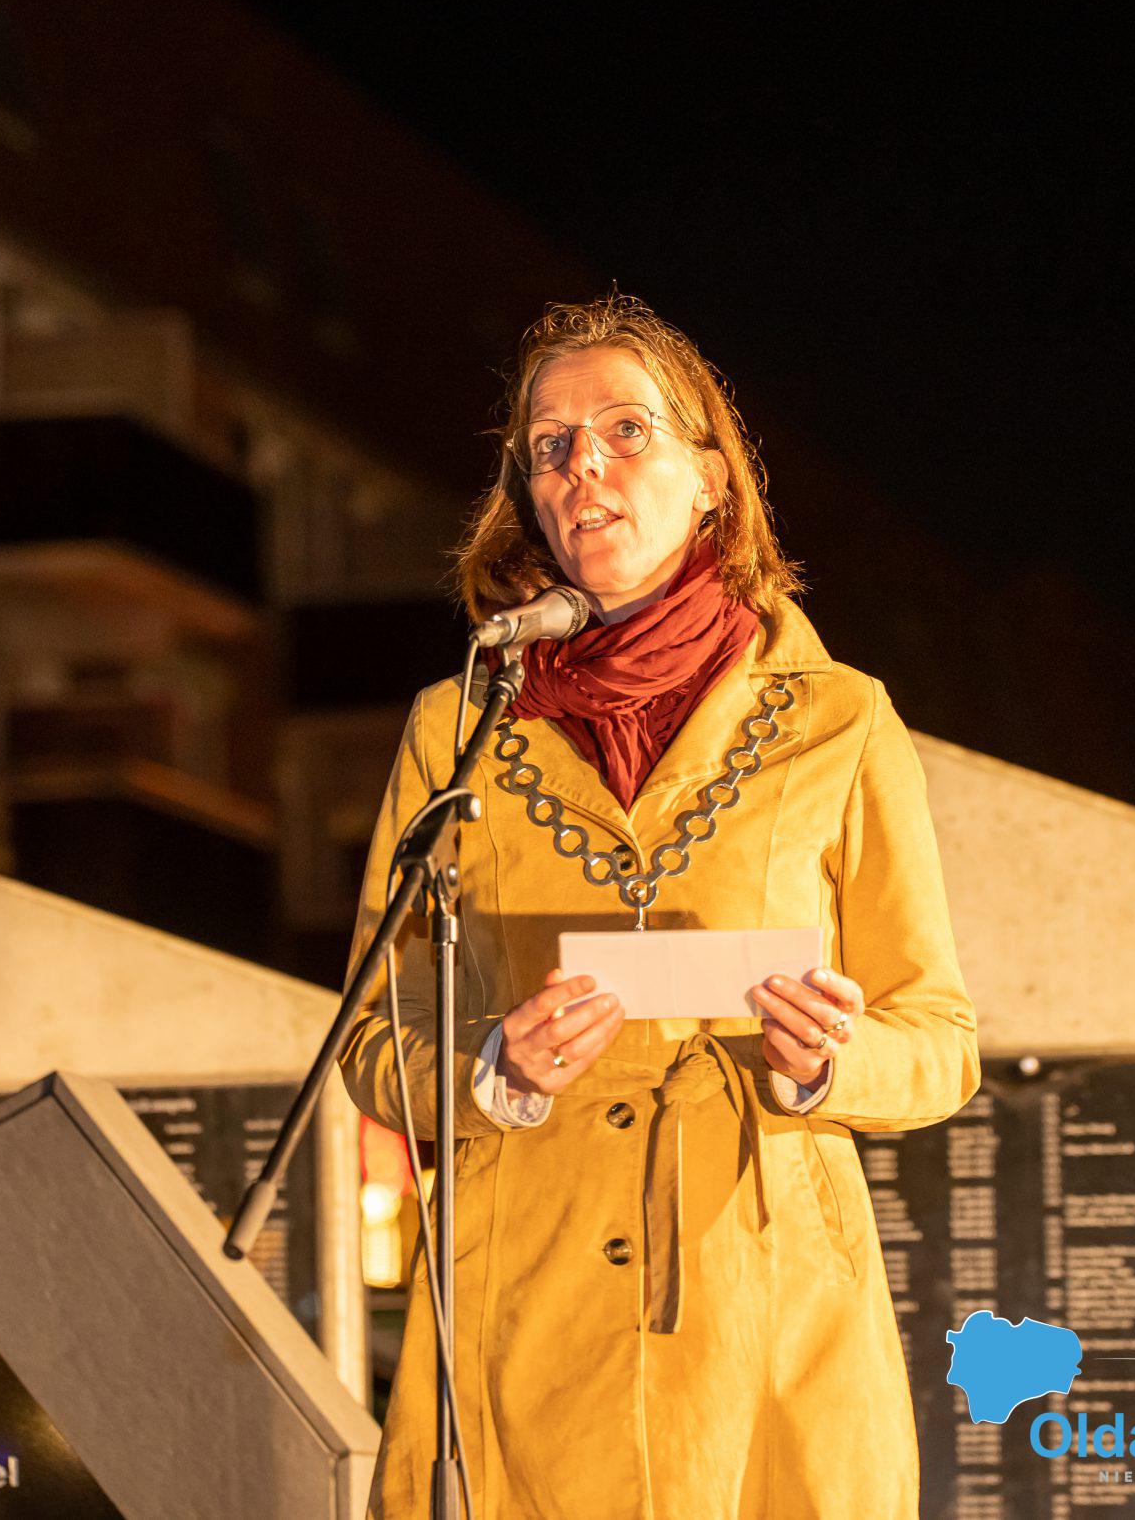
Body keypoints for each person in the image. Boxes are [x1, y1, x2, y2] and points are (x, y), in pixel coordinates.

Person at [339, 295, 979, 1520]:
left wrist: (826, 1061)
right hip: (522, 1318)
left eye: (625, 431)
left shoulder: (842, 721)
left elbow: (940, 1041)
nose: (582, 465)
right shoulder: (455, 727)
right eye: (549, 446)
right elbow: (371, 1034)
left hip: (769, 1326)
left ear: (711, 481)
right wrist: (491, 1068)